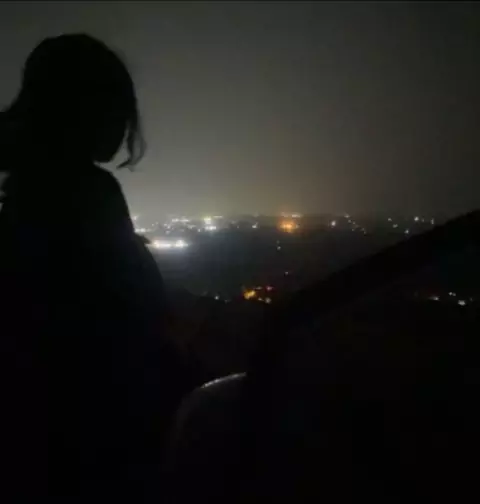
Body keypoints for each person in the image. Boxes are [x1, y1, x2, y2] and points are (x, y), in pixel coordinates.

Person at [0, 34, 187, 502]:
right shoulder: (85, 194)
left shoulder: (31, 187)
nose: (124, 123)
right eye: (115, 105)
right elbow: (126, 317)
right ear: (83, 109)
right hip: (91, 436)